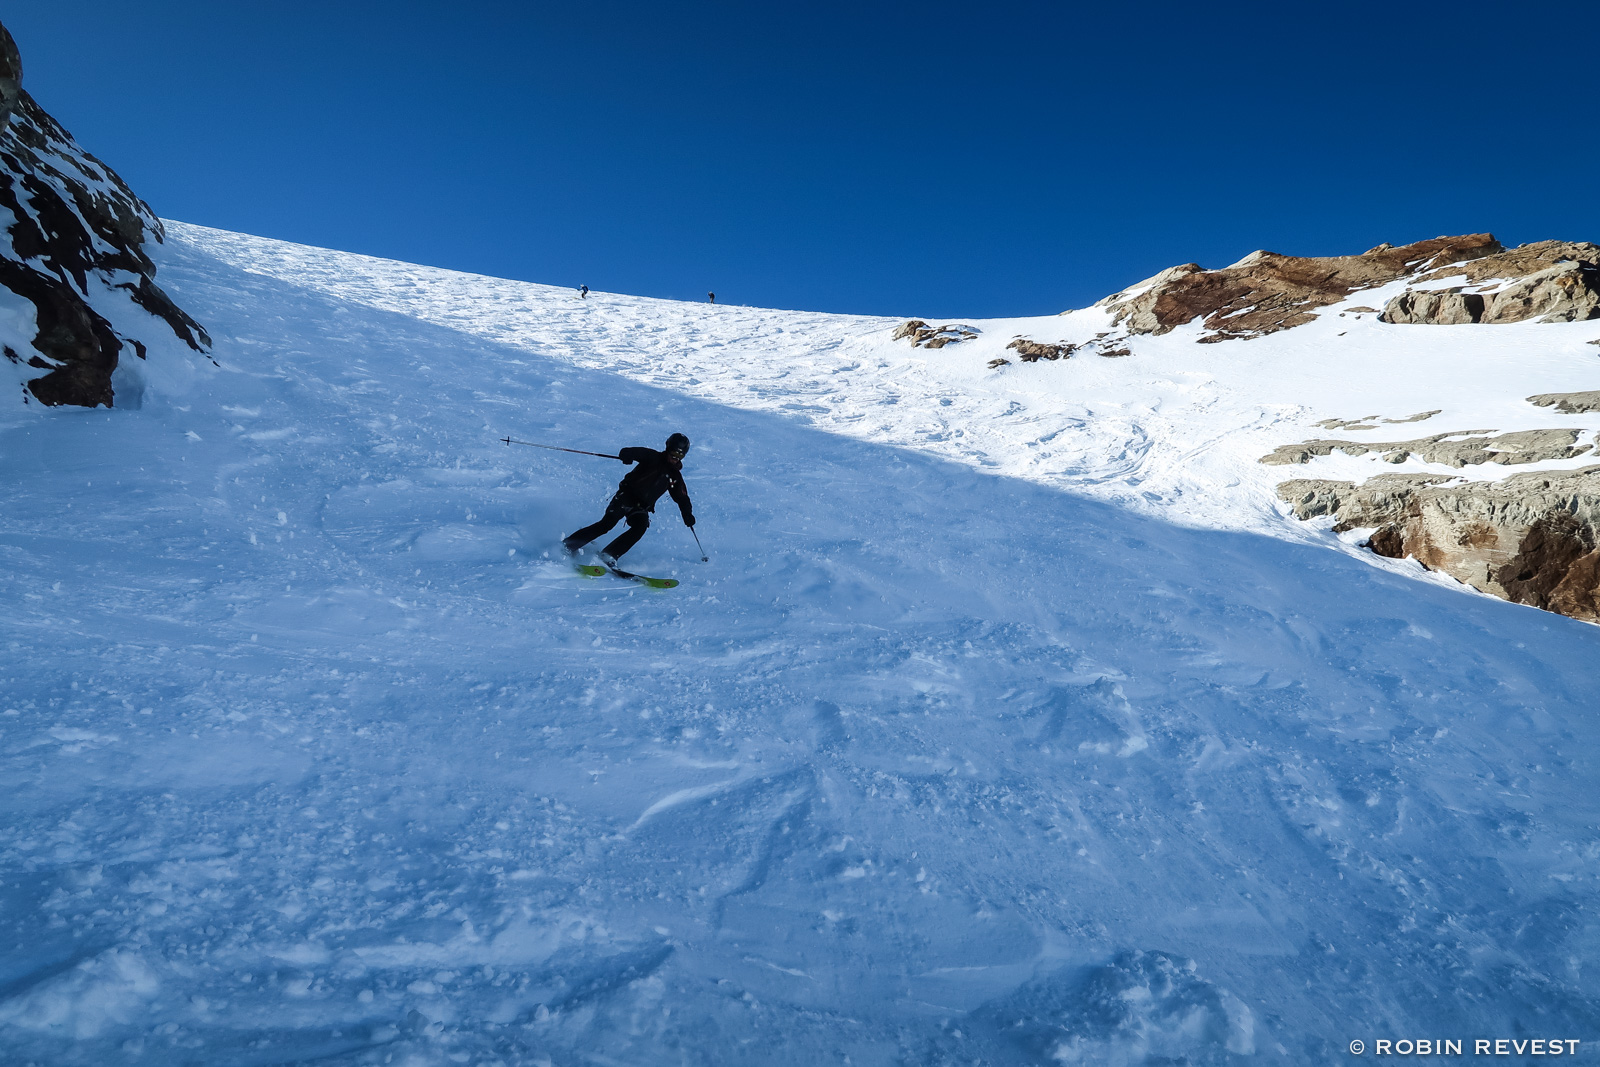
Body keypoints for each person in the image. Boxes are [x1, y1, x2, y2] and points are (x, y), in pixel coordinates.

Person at [563, 433, 695, 565]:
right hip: (626, 496)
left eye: (680, 456)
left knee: (640, 527)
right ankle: (569, 545)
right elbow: (630, 451)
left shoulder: (675, 477)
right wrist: (627, 455)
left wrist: (687, 513)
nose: (675, 458)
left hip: (641, 507)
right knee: (606, 524)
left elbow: (682, 498)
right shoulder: (652, 457)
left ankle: (609, 555)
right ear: (667, 448)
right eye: (673, 453)